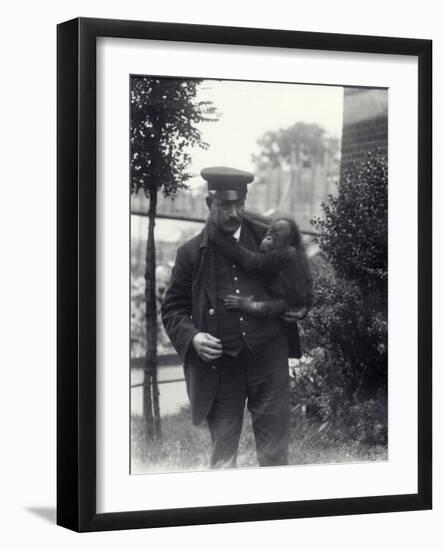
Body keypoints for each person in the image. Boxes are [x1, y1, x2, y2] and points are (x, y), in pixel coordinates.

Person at [161, 166, 307, 469]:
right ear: (208, 204)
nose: (233, 213)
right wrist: (194, 337)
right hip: (221, 368)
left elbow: (301, 274)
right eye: (224, 205)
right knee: (224, 457)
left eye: (238, 204)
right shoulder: (190, 253)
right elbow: (172, 308)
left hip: (269, 360)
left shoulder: (271, 235)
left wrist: (302, 304)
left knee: (274, 455)